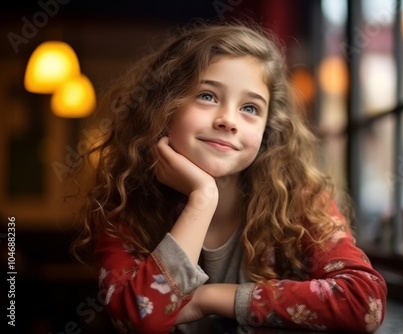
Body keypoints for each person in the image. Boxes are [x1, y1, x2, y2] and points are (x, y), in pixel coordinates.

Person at [70, 20, 387, 333]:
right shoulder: (124, 208)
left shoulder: (300, 198)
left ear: (267, 130)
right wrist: (202, 198)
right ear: (163, 108)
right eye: (207, 96)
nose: (228, 121)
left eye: (250, 108)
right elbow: (139, 319)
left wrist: (211, 298)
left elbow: (364, 304)